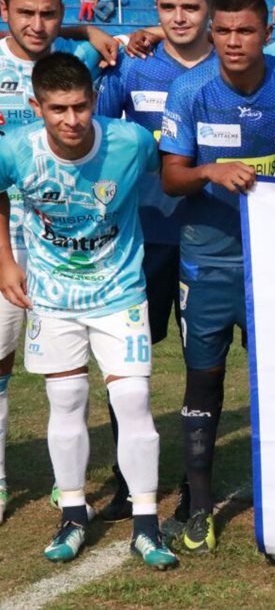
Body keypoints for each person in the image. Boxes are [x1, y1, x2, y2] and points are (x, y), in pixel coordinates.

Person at [159, 0, 275, 555]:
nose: (234, 41)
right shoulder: (190, 89)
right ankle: (199, 506)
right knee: (203, 380)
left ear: (267, 33)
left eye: (246, 31)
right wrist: (210, 171)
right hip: (208, 260)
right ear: (212, 34)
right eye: (224, 31)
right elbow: (171, 177)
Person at [0, 53, 177, 569]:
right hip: (53, 297)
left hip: (120, 292)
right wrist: (6, 261)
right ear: (36, 106)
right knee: (67, 398)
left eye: (80, 106)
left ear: (95, 101)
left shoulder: (131, 141)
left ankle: (146, 525)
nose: (71, 119)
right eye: (58, 109)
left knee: (134, 399)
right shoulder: (15, 149)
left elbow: (170, 169)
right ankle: (73, 514)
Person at [93, 0, 219, 526]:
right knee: (127, 363)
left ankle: (196, 482)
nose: (179, 17)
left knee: (202, 364)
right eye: (168, 7)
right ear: (154, 10)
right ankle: (128, 480)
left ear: (209, 9)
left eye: (190, 6)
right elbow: (95, 137)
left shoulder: (232, 65)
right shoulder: (131, 65)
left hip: (209, 238)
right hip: (138, 240)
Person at [0, 0, 109, 525]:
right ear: (5, 10)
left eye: (48, 13)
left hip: (68, 239)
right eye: (25, 12)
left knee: (69, 367)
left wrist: (90, 33)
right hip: (6, 237)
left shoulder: (81, 62)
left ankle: (68, 480)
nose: (37, 25)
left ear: (63, 13)